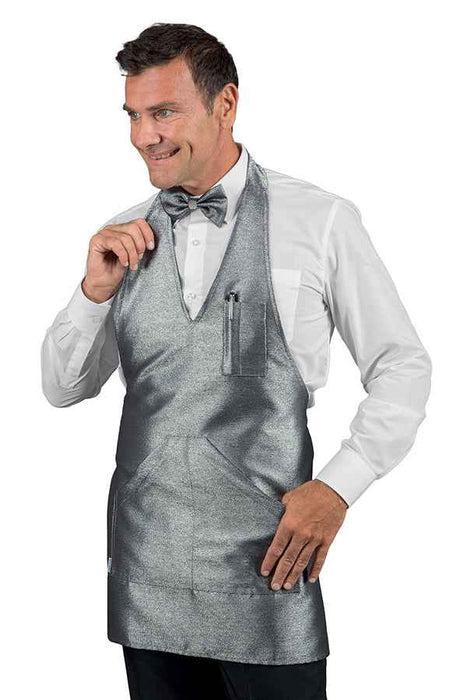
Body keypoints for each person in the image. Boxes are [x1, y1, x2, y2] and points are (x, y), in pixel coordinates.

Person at [40, 22, 432, 700]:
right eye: (133, 115)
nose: (144, 135)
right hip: (147, 574)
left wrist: (338, 487)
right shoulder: (123, 237)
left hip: (269, 573)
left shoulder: (319, 220)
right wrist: (92, 291)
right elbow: (61, 387)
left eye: (164, 112)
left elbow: (402, 365)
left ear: (225, 104)